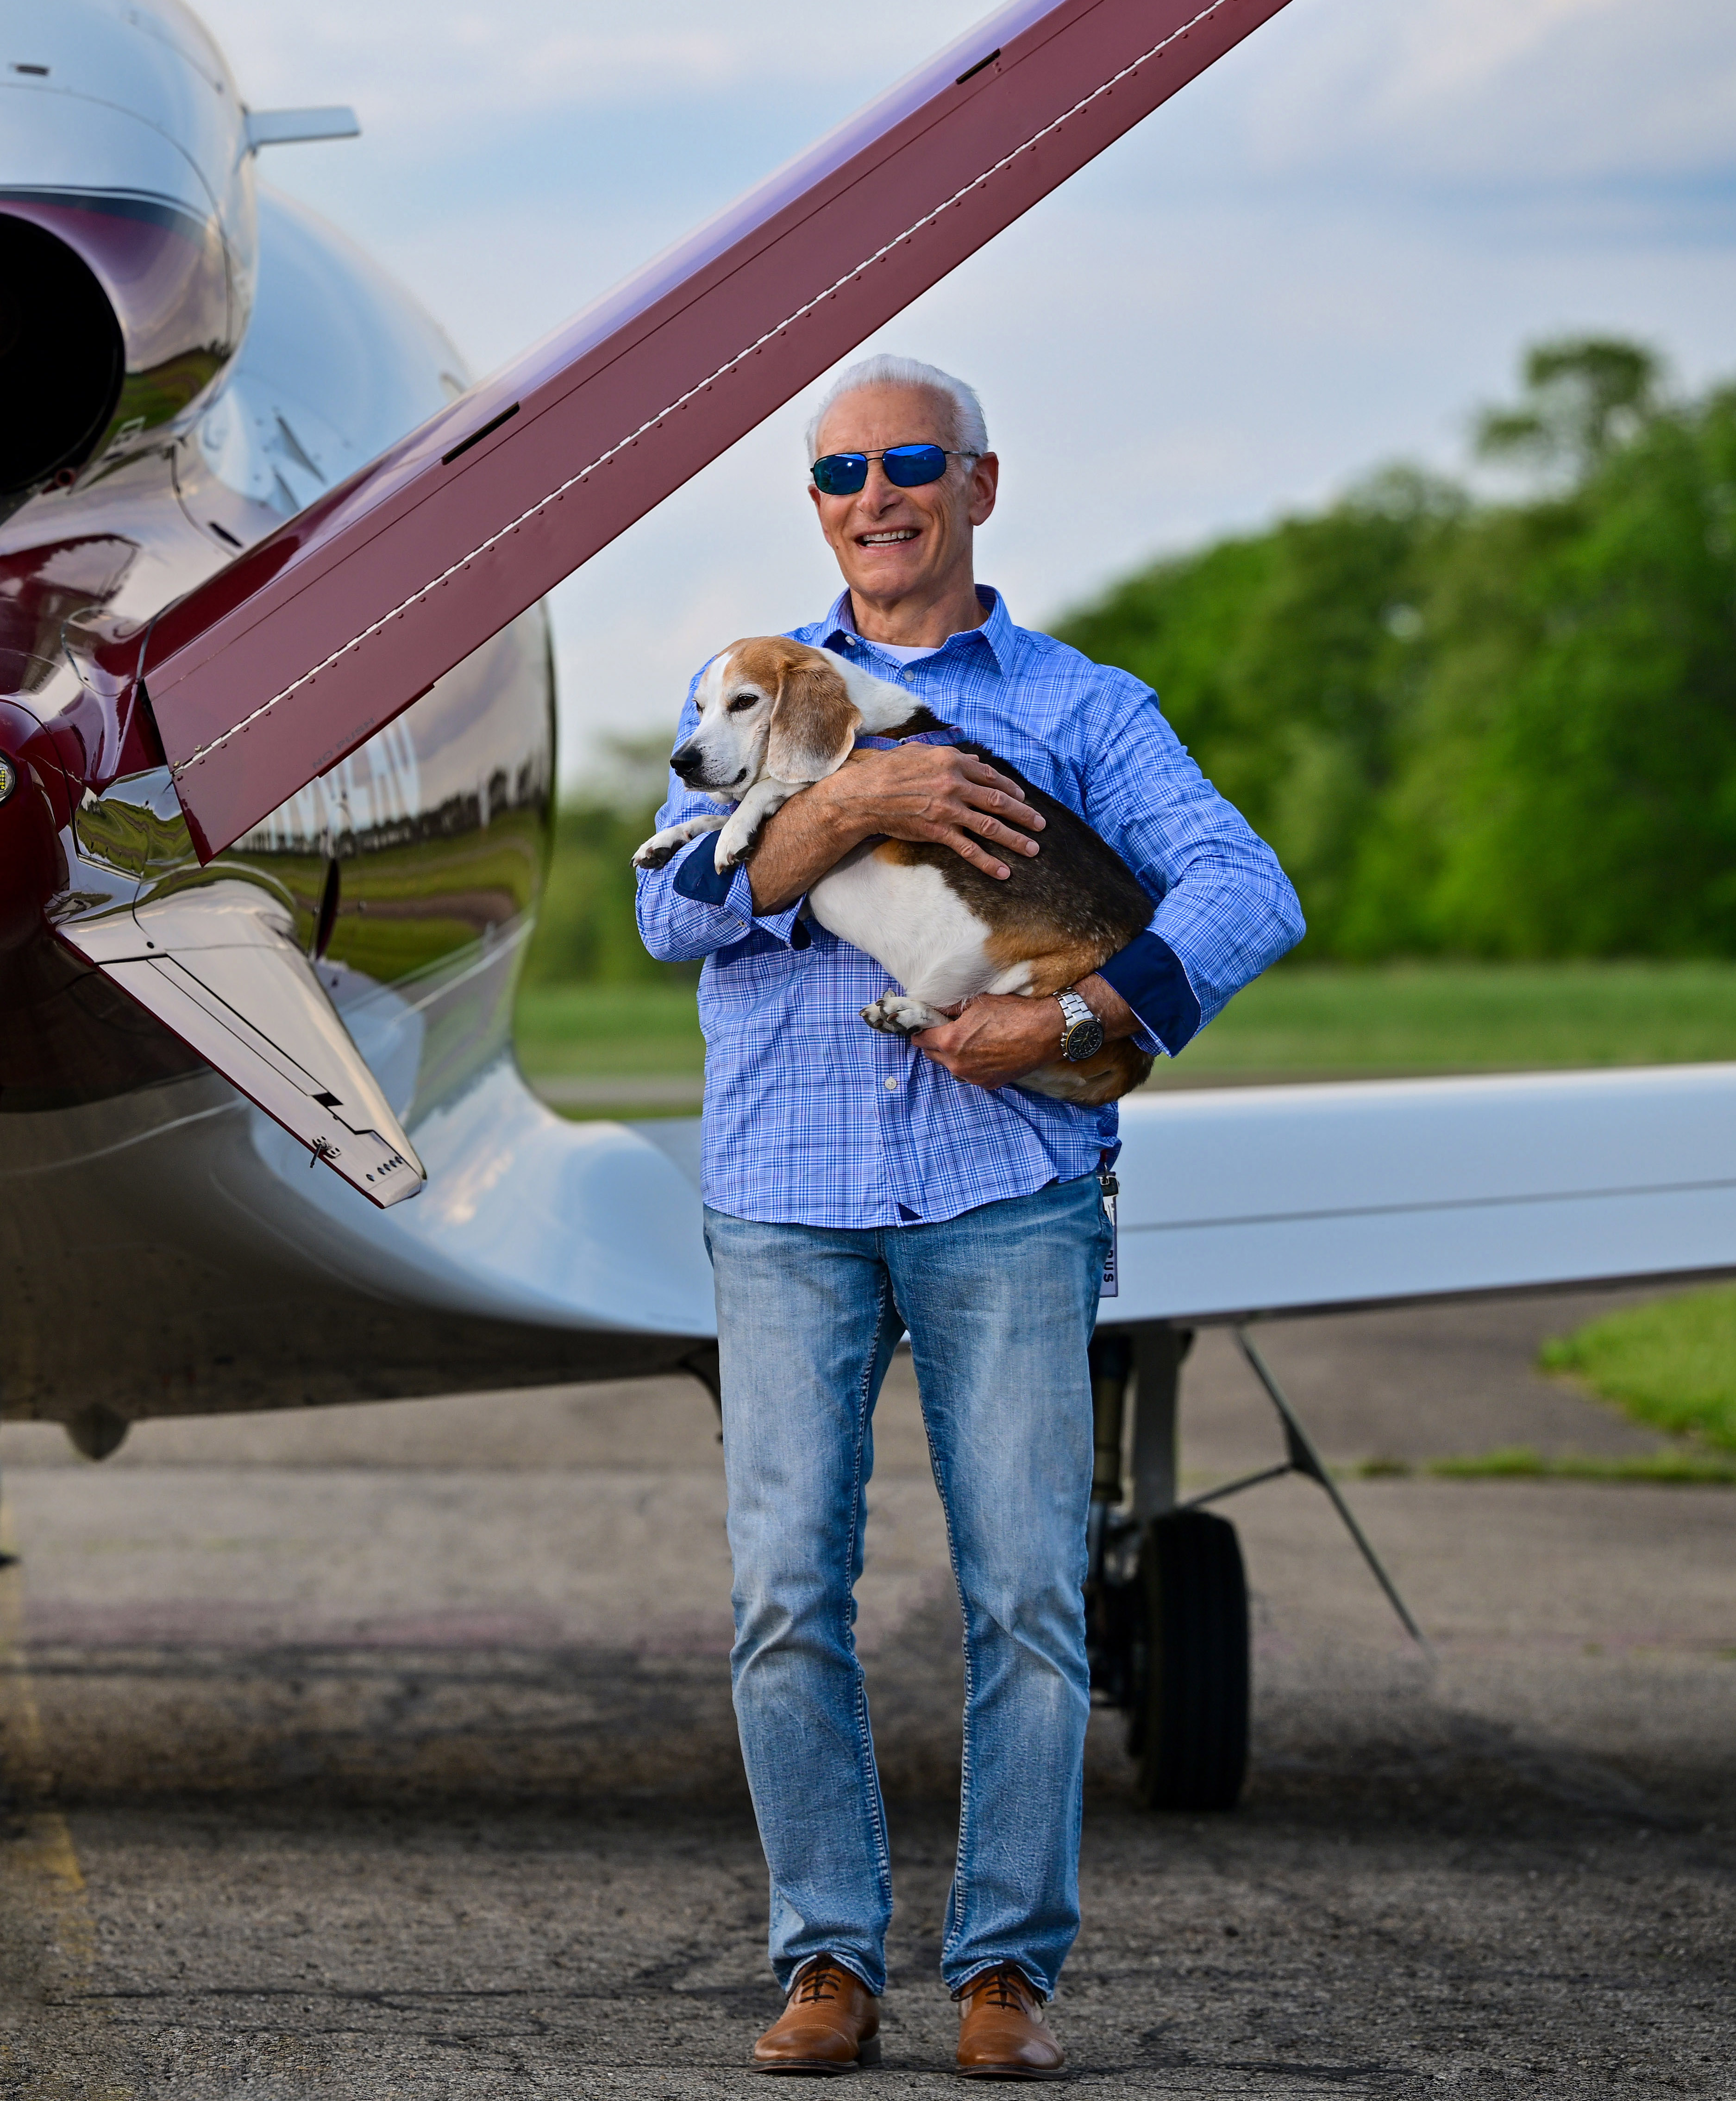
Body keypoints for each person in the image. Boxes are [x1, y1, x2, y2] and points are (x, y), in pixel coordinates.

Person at [634, 356, 1301, 2078]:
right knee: (785, 1591)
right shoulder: (763, 694)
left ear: (980, 487)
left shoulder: (1083, 706)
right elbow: (668, 908)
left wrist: (1081, 1023)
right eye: (843, 470)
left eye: (911, 462)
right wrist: (857, 798)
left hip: (1009, 1195)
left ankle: (1003, 1972)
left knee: (1026, 1597)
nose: (877, 493)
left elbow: (1245, 888)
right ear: (818, 504)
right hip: (786, 1198)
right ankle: (828, 1962)